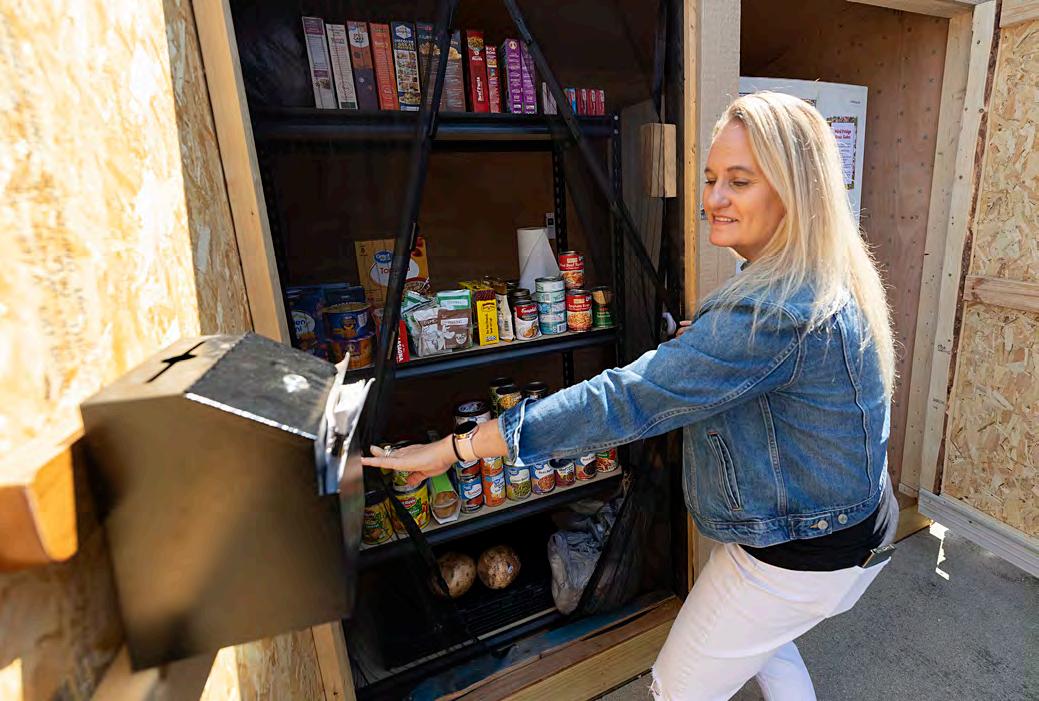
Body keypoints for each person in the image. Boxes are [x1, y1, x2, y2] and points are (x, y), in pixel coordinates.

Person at [362, 91, 899, 700]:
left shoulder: (769, 312)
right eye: (711, 179)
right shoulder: (816, 274)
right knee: (766, 643)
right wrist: (709, 349)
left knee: (676, 688)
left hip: (802, 553)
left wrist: (456, 448)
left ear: (795, 193)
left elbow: (621, 401)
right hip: (854, 527)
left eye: (740, 181)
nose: (713, 199)